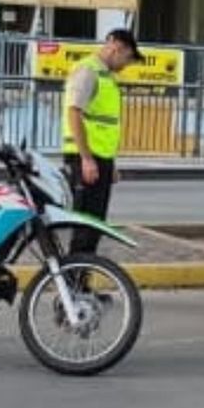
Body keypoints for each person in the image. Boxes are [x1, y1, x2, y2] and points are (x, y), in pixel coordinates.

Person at [61, 29, 142, 254]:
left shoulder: (107, 76)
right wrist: (87, 159)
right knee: (85, 226)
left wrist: (110, 163)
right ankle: (75, 272)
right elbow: (74, 113)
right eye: (127, 58)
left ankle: (82, 271)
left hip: (100, 159)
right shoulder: (88, 71)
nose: (125, 65)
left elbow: (104, 126)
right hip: (86, 159)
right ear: (116, 46)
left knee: (95, 225)